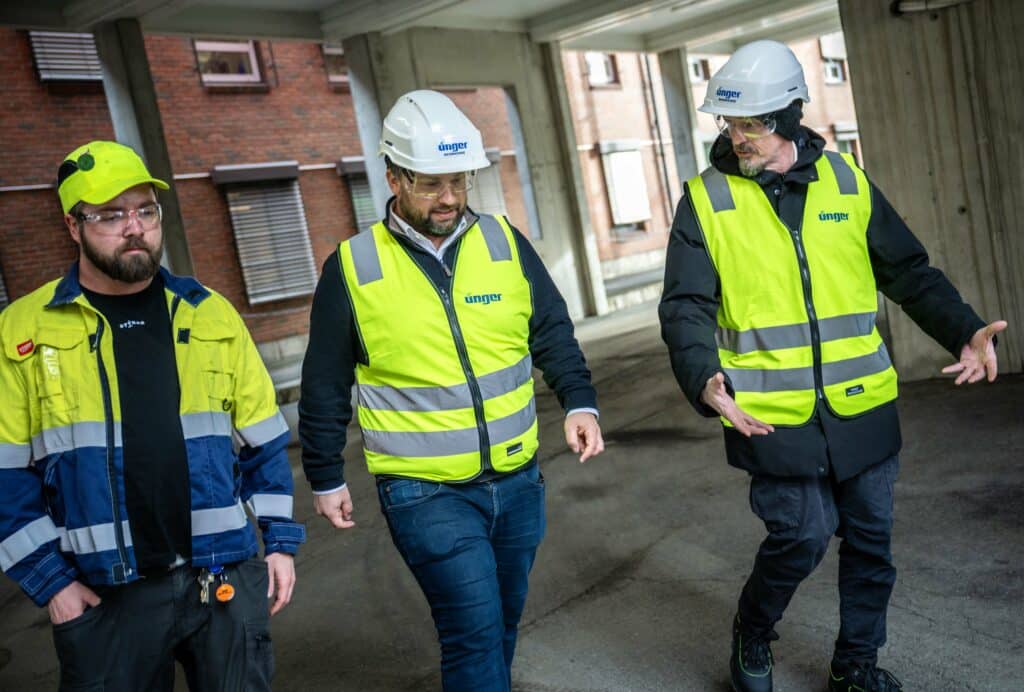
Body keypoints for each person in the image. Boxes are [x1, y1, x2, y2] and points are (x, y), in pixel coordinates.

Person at [658, 40, 1006, 692]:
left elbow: (908, 272)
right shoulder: (705, 201)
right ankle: (753, 629)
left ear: (789, 116)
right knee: (801, 536)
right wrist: (704, 378)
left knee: (871, 542)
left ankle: (855, 668)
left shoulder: (847, 180)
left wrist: (962, 331)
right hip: (769, 413)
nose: (737, 136)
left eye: (752, 123)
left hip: (861, 403)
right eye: (730, 122)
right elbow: (685, 306)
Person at [299, 89, 604, 691]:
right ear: (394, 178)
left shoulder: (503, 242)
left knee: (502, 622)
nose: (449, 198)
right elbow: (324, 382)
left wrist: (579, 401)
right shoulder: (354, 267)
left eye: (459, 182)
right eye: (431, 184)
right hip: (424, 492)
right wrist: (325, 474)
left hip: (518, 480)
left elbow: (551, 330)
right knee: (472, 631)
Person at [0, 141, 305, 691]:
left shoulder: (209, 313)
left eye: (145, 209)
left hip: (223, 577)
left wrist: (279, 543)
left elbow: (263, 440)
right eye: (110, 215)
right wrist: (52, 584)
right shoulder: (24, 330)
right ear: (73, 226)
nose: (134, 227)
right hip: (106, 596)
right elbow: (5, 474)